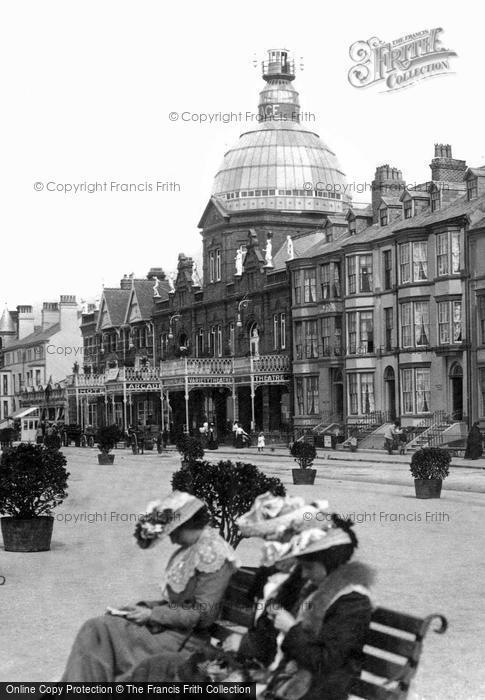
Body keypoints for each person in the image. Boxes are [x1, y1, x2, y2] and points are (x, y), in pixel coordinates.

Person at [61, 492, 238, 682]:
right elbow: (178, 602)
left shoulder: (213, 554)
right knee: (99, 627)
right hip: (171, 631)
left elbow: (202, 614)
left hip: (186, 640)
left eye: (173, 532)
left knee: (99, 631)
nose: (171, 539)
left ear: (186, 525)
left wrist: (153, 615)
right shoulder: (195, 548)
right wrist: (145, 608)